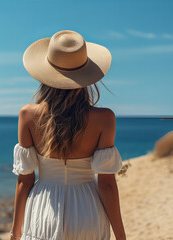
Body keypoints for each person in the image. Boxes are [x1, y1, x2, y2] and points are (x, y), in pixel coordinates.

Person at [10, 30, 126, 240]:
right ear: (87, 76)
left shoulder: (27, 115)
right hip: (88, 210)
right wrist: (121, 236)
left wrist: (15, 233)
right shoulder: (104, 118)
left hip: (44, 209)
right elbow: (107, 184)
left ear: (45, 73)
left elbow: (24, 181)